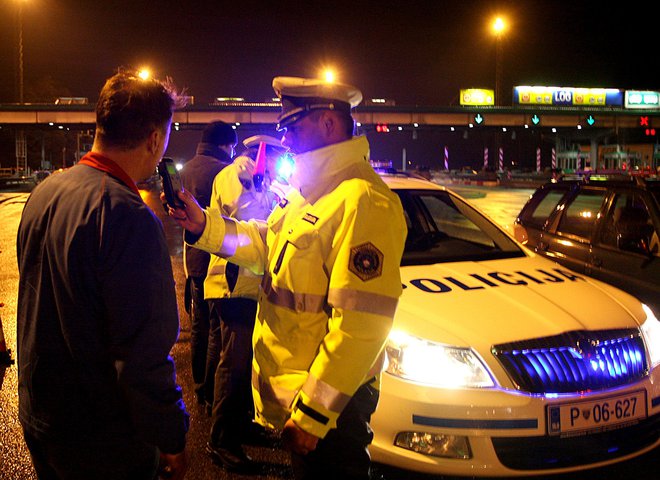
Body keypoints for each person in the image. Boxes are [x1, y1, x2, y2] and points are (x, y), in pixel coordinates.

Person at [167, 76, 407, 480]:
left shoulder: (362, 201)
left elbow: (362, 326)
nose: (286, 139)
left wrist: (314, 415)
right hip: (298, 400)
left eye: (291, 127)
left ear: (328, 124)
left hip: (331, 414)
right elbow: (265, 245)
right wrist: (204, 226)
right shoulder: (309, 192)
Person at [16, 68, 190, 480]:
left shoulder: (45, 192)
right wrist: (171, 435)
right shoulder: (126, 215)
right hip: (101, 437)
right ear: (153, 139)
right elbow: (143, 354)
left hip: (42, 416)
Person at [204, 134, 287, 473]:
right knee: (233, 365)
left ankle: (242, 425)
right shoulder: (236, 176)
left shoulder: (259, 178)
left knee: (245, 362)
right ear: (260, 154)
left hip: (250, 287)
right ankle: (221, 440)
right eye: (277, 157)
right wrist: (266, 191)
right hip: (233, 285)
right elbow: (251, 221)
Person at [179, 120, 236, 409]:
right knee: (216, 329)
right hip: (214, 257)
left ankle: (199, 386)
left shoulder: (188, 168)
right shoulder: (223, 172)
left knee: (200, 325)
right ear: (226, 144)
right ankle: (212, 391)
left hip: (193, 259)